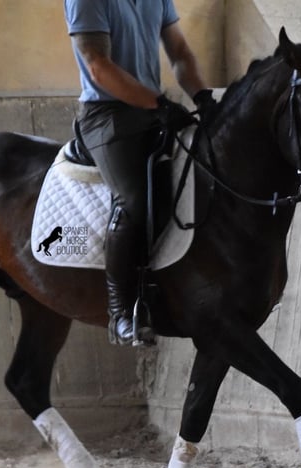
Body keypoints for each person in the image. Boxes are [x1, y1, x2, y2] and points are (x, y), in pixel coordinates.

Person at [64, 0, 216, 346]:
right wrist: (160, 104)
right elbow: (98, 66)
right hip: (107, 116)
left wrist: (203, 97)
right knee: (133, 201)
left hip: (151, 110)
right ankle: (121, 313)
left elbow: (178, 51)